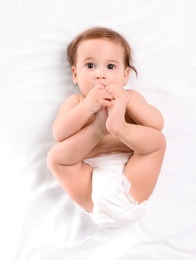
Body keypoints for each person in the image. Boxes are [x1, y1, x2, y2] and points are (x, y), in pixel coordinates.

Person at [47, 27, 166, 227]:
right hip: (89, 185)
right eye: (91, 65)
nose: (100, 75)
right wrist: (87, 107)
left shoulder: (131, 98)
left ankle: (119, 128)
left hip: (132, 181)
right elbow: (59, 133)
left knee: (157, 141)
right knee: (56, 157)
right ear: (75, 74)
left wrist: (127, 100)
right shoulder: (76, 102)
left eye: (110, 67)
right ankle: (99, 129)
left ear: (125, 75)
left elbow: (157, 124)